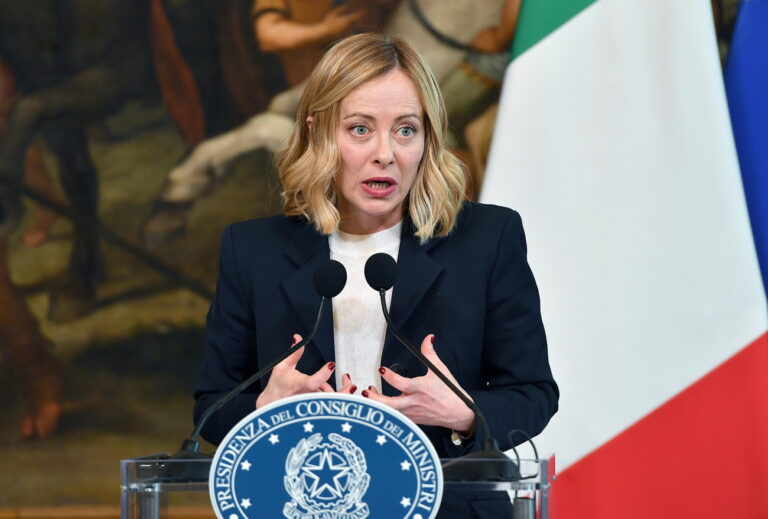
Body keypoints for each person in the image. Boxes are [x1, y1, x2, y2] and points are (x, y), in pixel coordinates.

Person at [194, 33, 558, 518]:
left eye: (406, 130)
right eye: (360, 129)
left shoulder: (487, 239)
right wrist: (263, 409)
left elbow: (533, 392)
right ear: (318, 131)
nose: (385, 153)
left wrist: (465, 414)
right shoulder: (253, 250)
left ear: (428, 138)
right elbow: (212, 409)